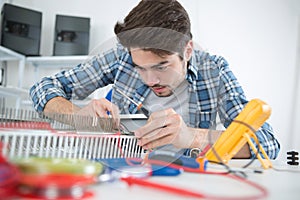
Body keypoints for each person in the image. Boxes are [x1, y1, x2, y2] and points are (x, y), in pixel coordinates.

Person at [30, 0, 280, 159]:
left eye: (162, 66)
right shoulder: (122, 57)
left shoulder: (214, 71)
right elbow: (43, 88)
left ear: (188, 51)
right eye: (141, 68)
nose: (150, 79)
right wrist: (76, 114)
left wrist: (192, 137)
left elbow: (267, 143)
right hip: (121, 178)